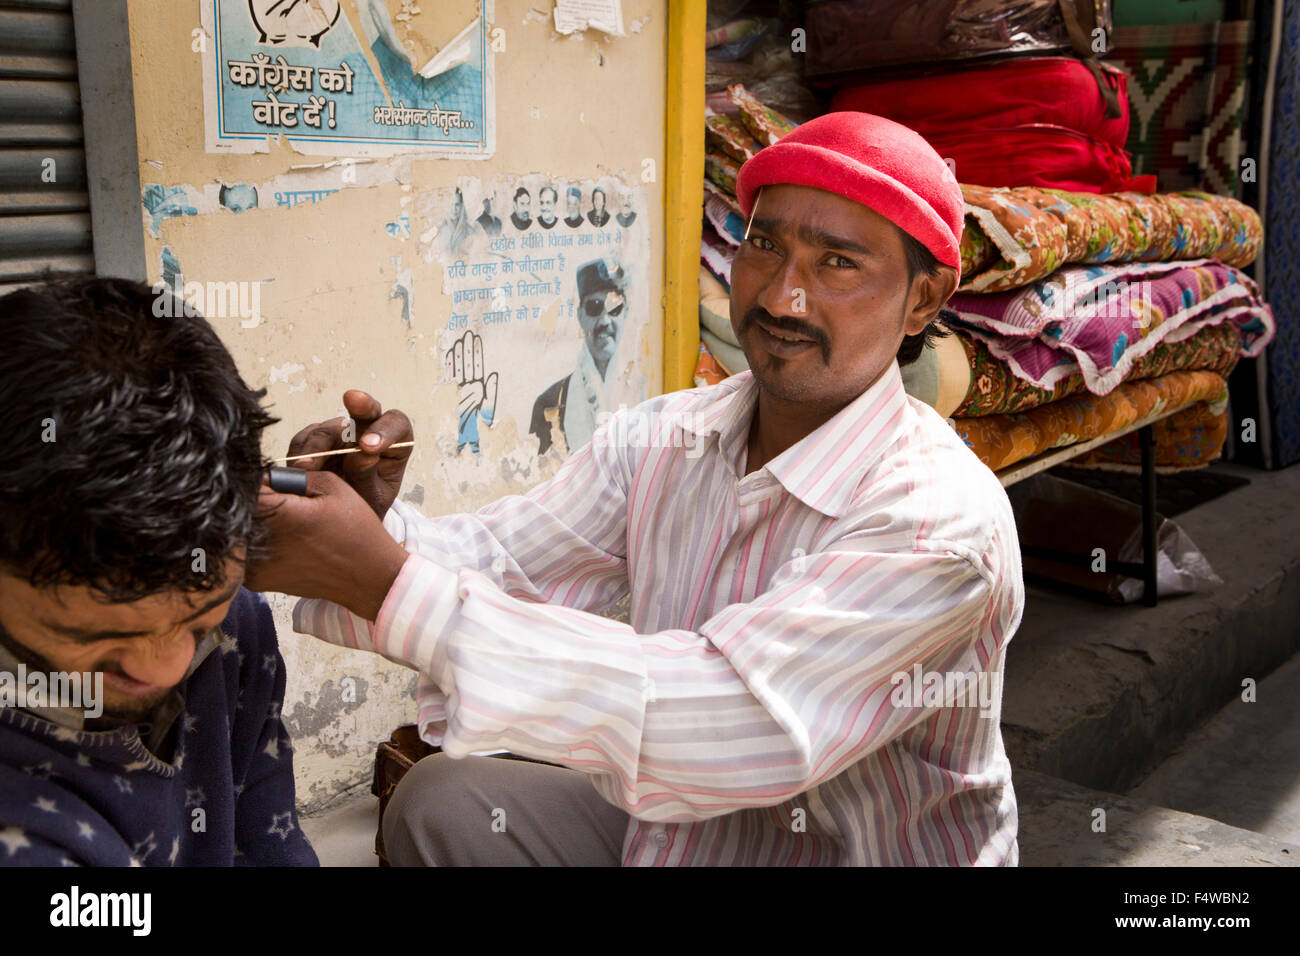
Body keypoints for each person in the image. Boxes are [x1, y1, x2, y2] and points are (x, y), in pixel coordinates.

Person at [250, 112, 1024, 866]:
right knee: (443, 803)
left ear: (924, 299)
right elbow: (509, 559)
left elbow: (726, 725)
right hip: (689, 833)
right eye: (764, 245)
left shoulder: (936, 523)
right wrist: (369, 527)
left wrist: (382, 579)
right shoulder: (667, 436)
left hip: (830, 848)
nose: (784, 296)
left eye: (838, 263)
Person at [0, 277, 318, 866]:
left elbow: (272, 842)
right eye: (98, 637)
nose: (167, 665)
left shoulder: (237, 630)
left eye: (196, 621)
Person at [527, 258, 627, 455]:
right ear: (580, 315)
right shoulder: (549, 404)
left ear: (625, 312)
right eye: (595, 307)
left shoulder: (646, 392)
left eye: (614, 307)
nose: (605, 320)